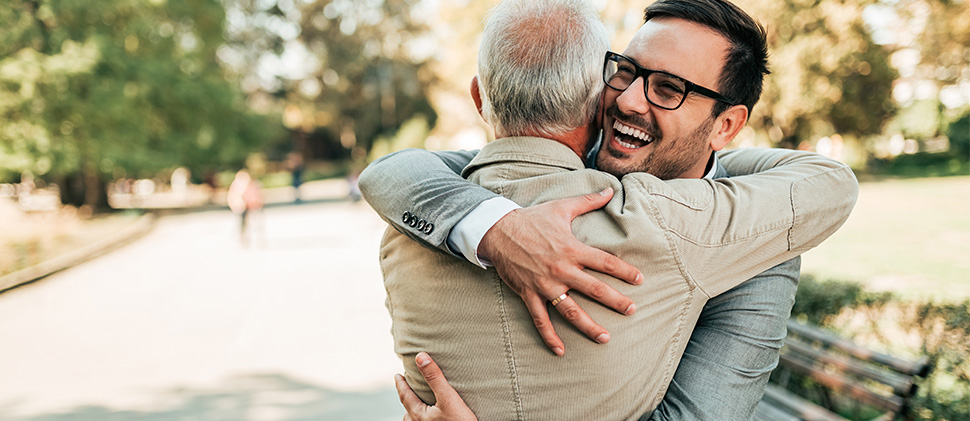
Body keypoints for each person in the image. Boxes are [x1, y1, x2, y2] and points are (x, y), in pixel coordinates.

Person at [361, 0, 858, 419]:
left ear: (726, 125)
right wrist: (496, 228)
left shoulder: (758, 239)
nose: (628, 100)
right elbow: (393, 171)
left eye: (668, 88)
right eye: (625, 72)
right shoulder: (525, 177)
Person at [227, 169, 263, 247]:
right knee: (241, 224)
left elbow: (257, 195)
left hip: (252, 206)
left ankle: (258, 239)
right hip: (240, 207)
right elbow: (232, 196)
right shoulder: (237, 185)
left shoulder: (253, 184)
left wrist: (257, 202)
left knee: (255, 223)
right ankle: (242, 238)